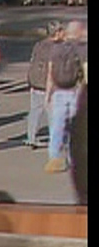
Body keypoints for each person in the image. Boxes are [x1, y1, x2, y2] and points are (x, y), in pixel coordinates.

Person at [44, 19, 84, 173]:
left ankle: (54, 158)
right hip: (75, 91)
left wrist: (48, 94)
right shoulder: (81, 49)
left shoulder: (55, 49)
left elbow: (50, 73)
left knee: (57, 126)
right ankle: (73, 158)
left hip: (58, 91)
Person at [24, 20, 62, 149]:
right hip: (47, 84)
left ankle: (31, 137)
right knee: (52, 113)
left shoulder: (39, 45)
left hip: (35, 81)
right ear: (57, 32)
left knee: (35, 110)